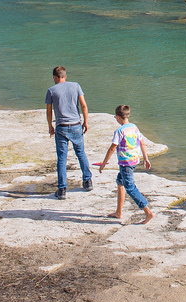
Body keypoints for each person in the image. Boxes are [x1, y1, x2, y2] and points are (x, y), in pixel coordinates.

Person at [96, 104, 154, 225]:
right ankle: (119, 212)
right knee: (120, 182)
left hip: (126, 164)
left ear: (118, 117)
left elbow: (112, 148)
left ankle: (148, 212)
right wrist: (146, 158)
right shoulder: (134, 127)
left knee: (130, 187)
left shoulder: (119, 131)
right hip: (134, 160)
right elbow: (142, 143)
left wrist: (103, 163)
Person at [45, 65, 93, 200]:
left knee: (62, 157)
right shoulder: (76, 86)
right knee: (80, 153)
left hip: (61, 126)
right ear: (65, 76)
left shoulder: (51, 91)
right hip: (76, 125)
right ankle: (87, 181)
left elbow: (49, 111)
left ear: (54, 77)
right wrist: (86, 121)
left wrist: (50, 126)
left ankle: (62, 189)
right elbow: (83, 105)